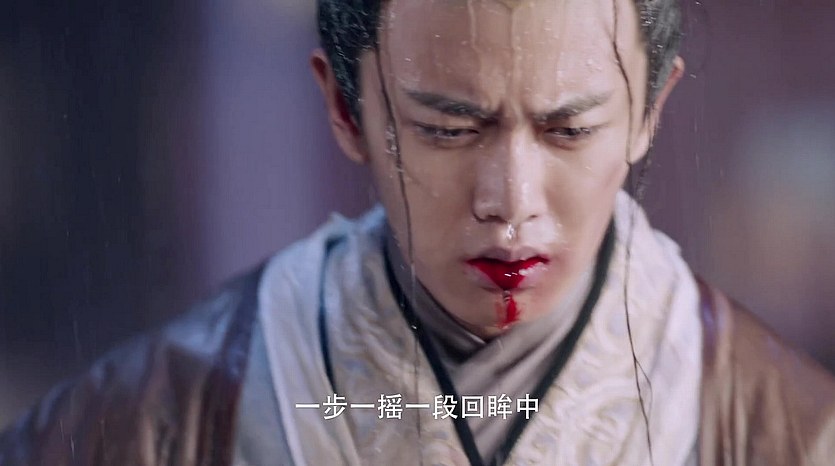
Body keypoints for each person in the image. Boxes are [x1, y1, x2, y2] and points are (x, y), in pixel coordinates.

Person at [1, 0, 834, 464]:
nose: (510, 202)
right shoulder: (153, 416)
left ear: (650, 112)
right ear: (344, 108)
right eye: (447, 128)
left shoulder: (786, 428)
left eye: (568, 131)